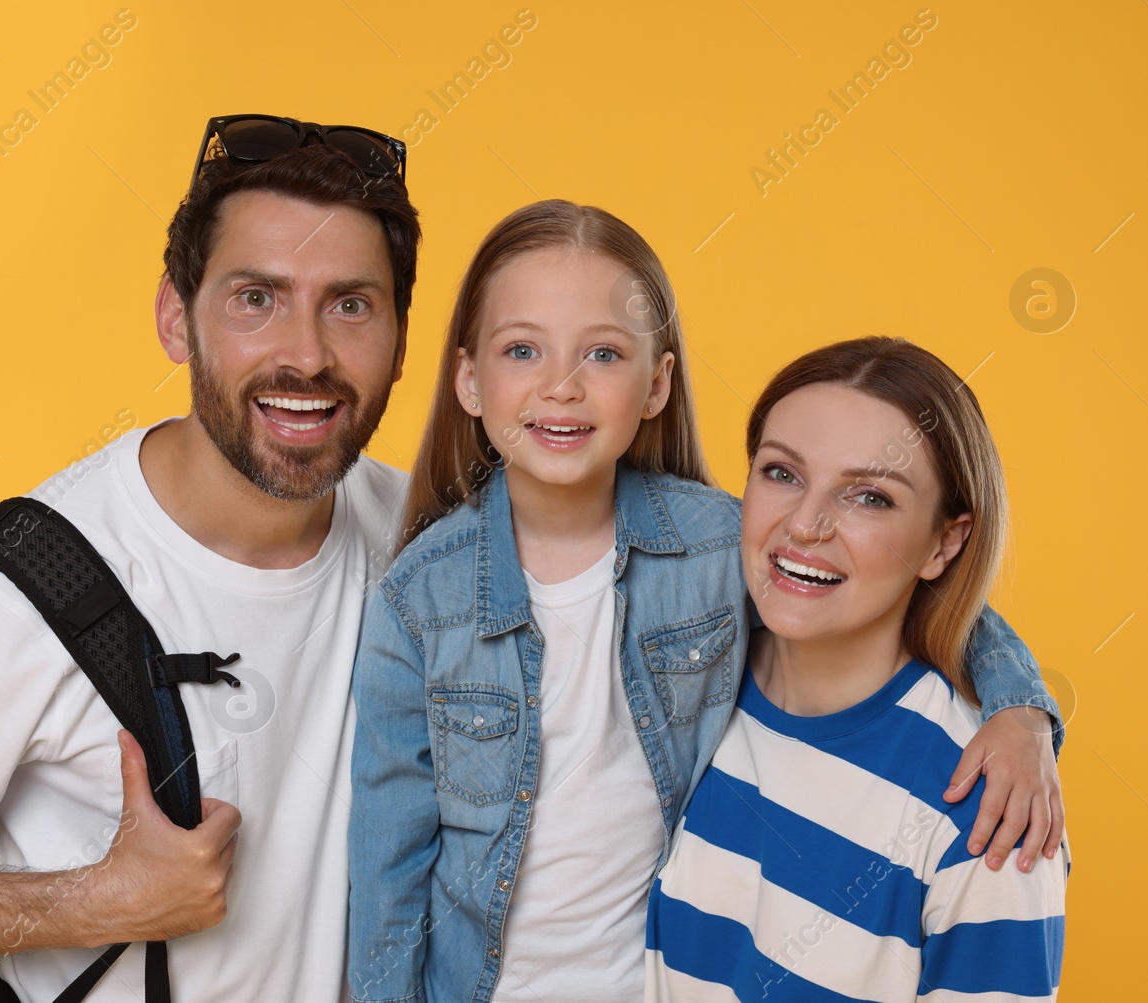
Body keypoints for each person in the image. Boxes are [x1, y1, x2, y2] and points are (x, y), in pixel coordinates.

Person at [0, 115, 420, 1002]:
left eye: (350, 303)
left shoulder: (418, 530)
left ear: (403, 336)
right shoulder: (12, 590)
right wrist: (100, 900)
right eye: (257, 297)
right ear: (176, 319)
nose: (307, 353)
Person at [345, 202, 1064, 1003]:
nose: (561, 385)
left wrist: (1022, 710)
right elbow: (389, 864)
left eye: (605, 354)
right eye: (523, 350)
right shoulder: (419, 595)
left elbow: (910, 593)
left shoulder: (719, 546)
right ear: (470, 380)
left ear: (656, 385)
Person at [645, 337, 1068, 1001]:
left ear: (944, 541)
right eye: (783, 473)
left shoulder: (988, 804)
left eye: (869, 496)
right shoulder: (682, 676)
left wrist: (1024, 709)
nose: (806, 524)